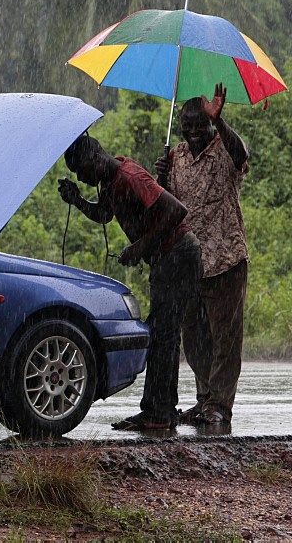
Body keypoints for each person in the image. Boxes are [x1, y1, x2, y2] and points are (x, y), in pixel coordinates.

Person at [59, 134, 201, 431]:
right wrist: (78, 200)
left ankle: (159, 413)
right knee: (162, 334)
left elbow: (176, 210)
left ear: (96, 159)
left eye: (83, 172)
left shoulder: (129, 175)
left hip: (179, 253)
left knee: (164, 335)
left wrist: (141, 246)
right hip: (166, 257)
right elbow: (104, 214)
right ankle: (157, 410)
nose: (83, 179)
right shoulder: (111, 182)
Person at [155, 83, 249, 428]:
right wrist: (159, 178)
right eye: (188, 124)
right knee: (193, 337)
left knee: (225, 338)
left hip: (226, 258)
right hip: (191, 261)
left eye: (201, 124)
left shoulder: (224, 148)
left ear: (211, 125)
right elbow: (166, 205)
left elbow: (242, 154)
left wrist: (221, 122)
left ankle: (221, 405)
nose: (193, 130)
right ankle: (205, 399)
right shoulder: (175, 156)